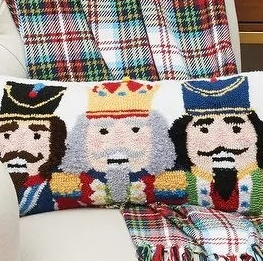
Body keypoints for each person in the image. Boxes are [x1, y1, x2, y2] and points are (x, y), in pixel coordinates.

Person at [161, 74, 263, 222]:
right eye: (204, 130)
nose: (220, 141)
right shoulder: (178, 180)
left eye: (236, 129)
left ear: (258, 133)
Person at [58, 79, 179, 208]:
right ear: (81, 137)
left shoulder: (168, 180)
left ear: (156, 135)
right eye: (103, 131)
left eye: (135, 129)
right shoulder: (69, 182)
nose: (118, 142)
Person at [0, 80, 72, 215]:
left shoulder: (61, 187)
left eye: (36, 136)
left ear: (55, 143)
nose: (19, 150)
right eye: (7, 136)